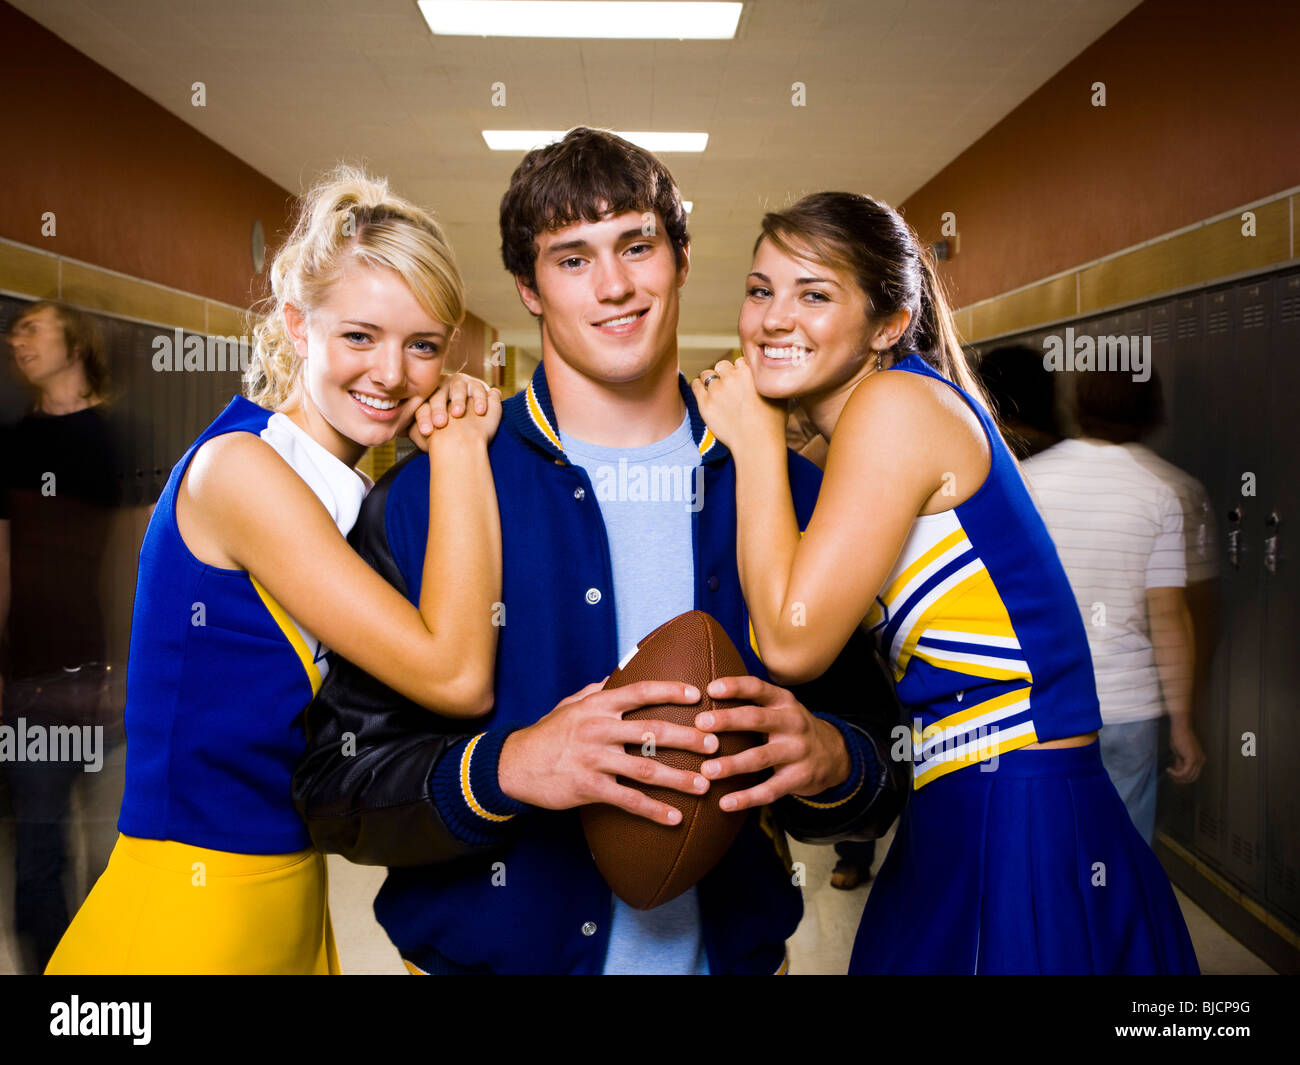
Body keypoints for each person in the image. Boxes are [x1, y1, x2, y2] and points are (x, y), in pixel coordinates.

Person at [293, 128, 902, 975]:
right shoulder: (434, 492)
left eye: (637, 246)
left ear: (681, 260)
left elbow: (883, 764)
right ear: (528, 287)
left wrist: (830, 757)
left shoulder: (780, 492)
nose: (614, 286)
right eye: (571, 258)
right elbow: (335, 788)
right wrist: (508, 767)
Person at [692, 190, 1199, 974]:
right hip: (963, 791)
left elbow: (789, 640)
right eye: (761, 289)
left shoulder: (895, 405)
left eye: (815, 293)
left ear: (889, 323)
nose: (772, 317)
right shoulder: (875, 419)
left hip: (1020, 800)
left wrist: (756, 443)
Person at [44, 167, 502, 975]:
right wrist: (463, 449)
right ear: (296, 325)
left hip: (287, 889)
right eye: (359, 336)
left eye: (422, 345)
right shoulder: (240, 471)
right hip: (190, 909)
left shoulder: (347, 488)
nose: (393, 375)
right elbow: (458, 673)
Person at [1023, 370, 1206, 843]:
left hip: (1049, 700)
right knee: (1122, 849)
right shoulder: (1159, 492)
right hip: (1129, 705)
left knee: (1054, 842)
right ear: (1150, 414)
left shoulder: (1028, 481)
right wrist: (1183, 723)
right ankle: (1113, 918)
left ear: (1077, 406)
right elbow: (1168, 616)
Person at [1, 302, 124, 973]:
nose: (17, 339)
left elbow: (134, 565)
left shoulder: (115, 441)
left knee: (115, 855)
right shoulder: (13, 442)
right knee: (39, 851)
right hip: (31, 685)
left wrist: (130, 669)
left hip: (109, 685)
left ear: (74, 344)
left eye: (32, 329)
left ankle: (102, 973)